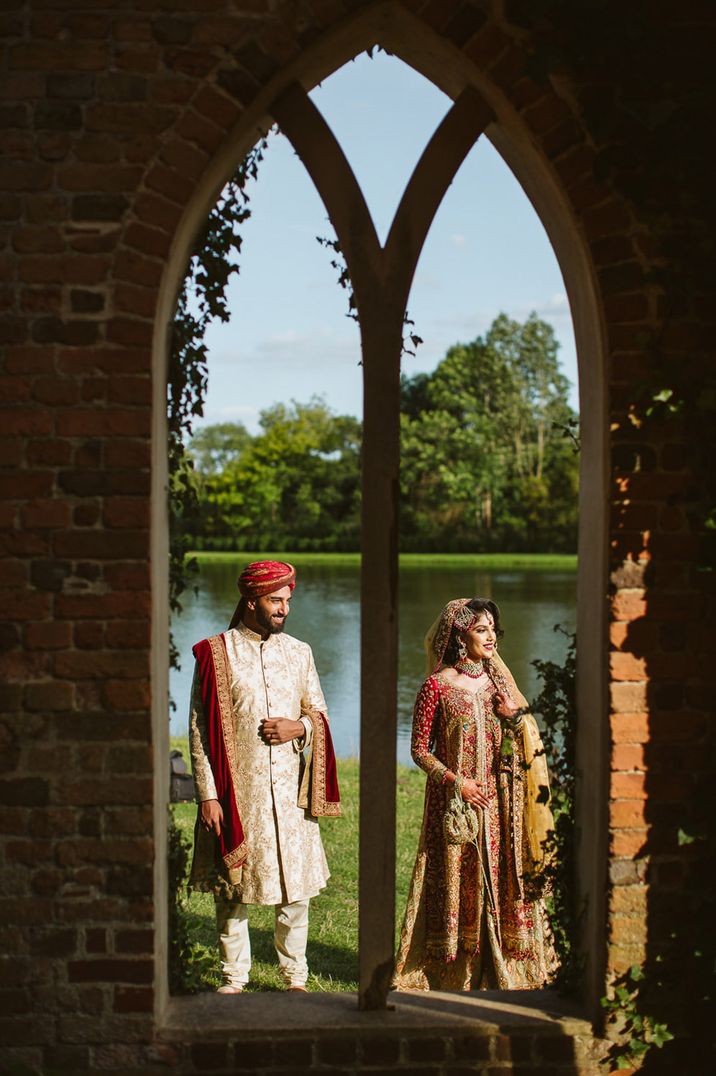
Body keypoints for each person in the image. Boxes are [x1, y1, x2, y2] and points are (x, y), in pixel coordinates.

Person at [188, 559, 340, 994]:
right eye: (275, 600)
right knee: (232, 890)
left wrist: (301, 727)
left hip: (290, 795)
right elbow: (200, 727)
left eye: (287, 601)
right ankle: (234, 977)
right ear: (250, 601)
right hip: (241, 792)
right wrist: (208, 795)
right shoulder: (217, 654)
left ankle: (295, 977)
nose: (284, 609)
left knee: (295, 890)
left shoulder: (300, 652)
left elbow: (320, 712)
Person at [393, 597, 557, 991]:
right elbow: (419, 750)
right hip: (455, 804)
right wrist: (457, 783)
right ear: (459, 635)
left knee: (502, 880)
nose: (491, 638)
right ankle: (455, 970)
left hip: (502, 802)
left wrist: (513, 719)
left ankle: (505, 965)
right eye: (481, 630)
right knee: (458, 877)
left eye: (493, 630)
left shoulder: (500, 686)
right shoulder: (437, 685)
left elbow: (528, 739)